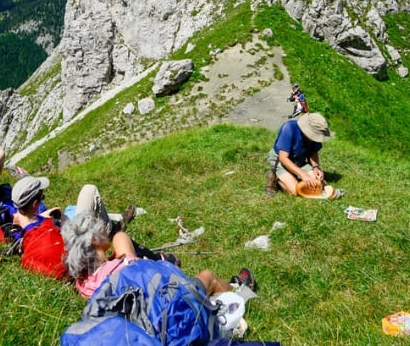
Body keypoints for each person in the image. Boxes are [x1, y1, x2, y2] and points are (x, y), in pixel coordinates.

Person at [61, 211, 254, 300]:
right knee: (208, 276)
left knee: (120, 238)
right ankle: (238, 287)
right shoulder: (126, 267)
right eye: (99, 229)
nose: (105, 229)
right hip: (166, 304)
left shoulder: (83, 283)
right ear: (94, 241)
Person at [265, 111, 333, 196]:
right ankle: (274, 176)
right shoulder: (289, 128)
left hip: (298, 160)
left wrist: (316, 167)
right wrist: (302, 174)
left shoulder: (314, 134)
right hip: (279, 160)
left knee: (319, 185)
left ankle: (293, 174)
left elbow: (313, 151)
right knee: (295, 190)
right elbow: (283, 158)